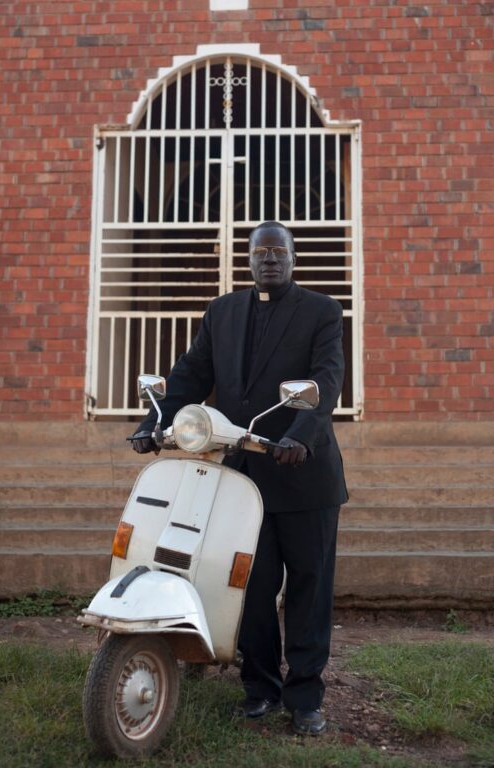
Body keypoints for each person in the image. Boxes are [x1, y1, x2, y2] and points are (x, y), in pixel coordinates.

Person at [130, 221, 348, 735]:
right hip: (243, 479)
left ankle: (305, 697)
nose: (269, 259)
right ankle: (260, 687)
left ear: (294, 258)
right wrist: (152, 423)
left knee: (309, 590)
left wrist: (301, 435)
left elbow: (327, 379)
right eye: (260, 252)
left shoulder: (321, 311)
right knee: (249, 585)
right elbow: (190, 375)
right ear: (247, 259)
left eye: (279, 252)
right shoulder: (223, 312)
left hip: (304, 475)